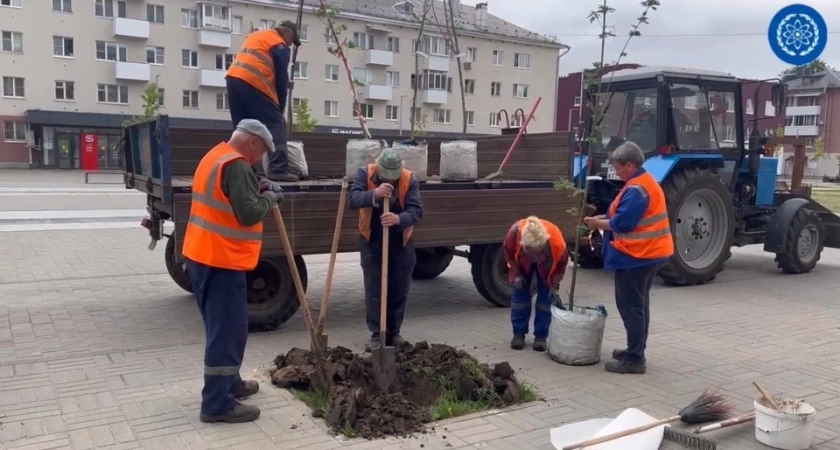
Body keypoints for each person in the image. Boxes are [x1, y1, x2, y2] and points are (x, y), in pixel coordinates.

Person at [181, 119, 285, 423]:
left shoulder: (215, 156)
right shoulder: (237, 165)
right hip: (220, 259)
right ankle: (217, 404)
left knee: (223, 329)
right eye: (262, 151)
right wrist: (269, 198)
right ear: (253, 142)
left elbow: (228, 197)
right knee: (227, 333)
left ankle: (230, 383)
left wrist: (255, 188)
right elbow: (249, 212)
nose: (260, 158)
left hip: (203, 255)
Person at [583, 141, 674, 374]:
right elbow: (623, 214)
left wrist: (596, 223)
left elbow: (622, 223)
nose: (616, 172)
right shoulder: (641, 183)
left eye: (618, 167)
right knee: (639, 305)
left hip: (637, 256)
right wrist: (605, 216)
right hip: (649, 253)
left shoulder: (637, 189)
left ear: (630, 165)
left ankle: (634, 359)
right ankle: (635, 350)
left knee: (631, 307)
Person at [348, 149, 424, 350]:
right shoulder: (365, 173)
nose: (390, 179)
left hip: (401, 243)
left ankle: (394, 332)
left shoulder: (409, 179)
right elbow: (353, 199)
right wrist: (375, 193)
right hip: (371, 240)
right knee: (374, 289)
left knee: (399, 289)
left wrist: (399, 219)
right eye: (385, 176)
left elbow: (416, 211)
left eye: (393, 176)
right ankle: (376, 333)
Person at [226, 20, 302, 182]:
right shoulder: (279, 44)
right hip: (253, 80)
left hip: (233, 79)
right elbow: (282, 80)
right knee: (275, 123)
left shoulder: (257, 36)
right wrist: (279, 109)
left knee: (242, 126)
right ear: (287, 32)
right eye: (292, 40)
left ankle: (242, 168)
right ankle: (278, 169)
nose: (290, 44)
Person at [502, 216, 569, 352]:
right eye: (531, 251)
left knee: (546, 300)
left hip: (545, 264)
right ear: (523, 244)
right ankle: (518, 334)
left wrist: (554, 286)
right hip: (522, 263)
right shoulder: (514, 234)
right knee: (519, 298)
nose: (534, 256)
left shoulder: (557, 244)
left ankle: (541, 337)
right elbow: (508, 255)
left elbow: (561, 266)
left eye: (537, 251)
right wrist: (517, 274)